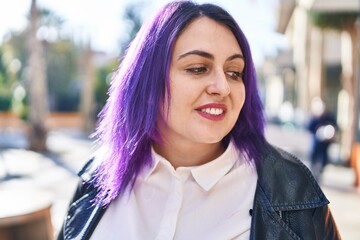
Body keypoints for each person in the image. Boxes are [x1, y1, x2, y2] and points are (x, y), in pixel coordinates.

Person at [57, 1, 341, 239]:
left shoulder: (292, 190)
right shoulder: (97, 176)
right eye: (197, 68)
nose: (222, 87)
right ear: (147, 80)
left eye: (234, 72)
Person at [308, 97, 338, 181]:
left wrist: (330, 132)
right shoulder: (314, 118)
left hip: (326, 142)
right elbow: (309, 128)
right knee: (314, 155)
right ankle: (313, 171)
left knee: (324, 158)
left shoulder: (329, 117)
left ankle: (320, 171)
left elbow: (335, 126)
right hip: (316, 141)